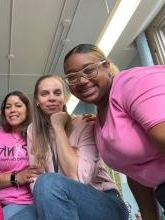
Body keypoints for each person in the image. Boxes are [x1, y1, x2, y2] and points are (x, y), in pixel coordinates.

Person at [63, 44, 165, 220]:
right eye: (72, 77)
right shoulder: (100, 120)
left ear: (106, 66)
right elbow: (135, 173)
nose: (81, 80)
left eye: (89, 70)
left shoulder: (132, 83)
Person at [12, 75, 128, 220]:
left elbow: (79, 178)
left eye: (57, 93)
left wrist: (58, 127)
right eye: (45, 94)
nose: (52, 98)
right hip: (54, 197)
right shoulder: (33, 130)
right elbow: (36, 176)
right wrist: (49, 201)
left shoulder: (85, 123)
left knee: (48, 181)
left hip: (104, 202)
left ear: (65, 98)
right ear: (37, 101)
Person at [0, 91, 41, 220]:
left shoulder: (37, 134)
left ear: (27, 110)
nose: (12, 110)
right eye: (8, 107)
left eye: (18, 105)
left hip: (24, 202)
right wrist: (16, 178)